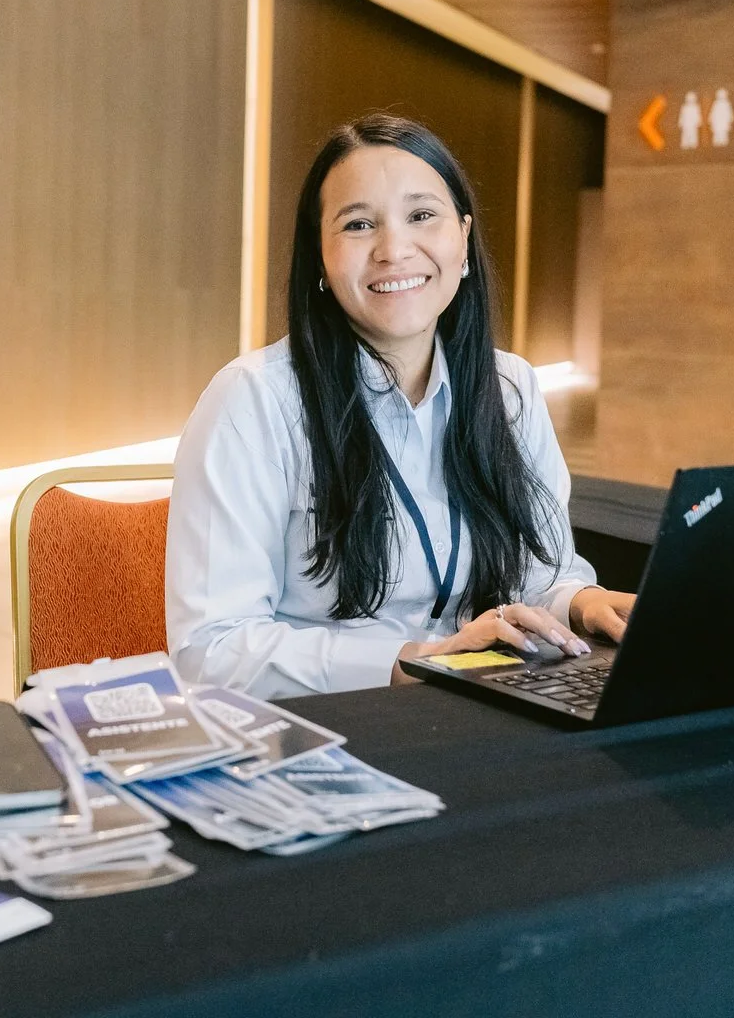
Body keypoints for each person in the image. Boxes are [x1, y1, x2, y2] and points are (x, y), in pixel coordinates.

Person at [166, 114, 634, 699]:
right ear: (319, 258)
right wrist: (413, 659)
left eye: (421, 216)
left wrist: (583, 603)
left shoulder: (509, 388)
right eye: (359, 224)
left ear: (462, 239)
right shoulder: (254, 400)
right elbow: (209, 650)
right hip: (329, 728)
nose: (394, 249)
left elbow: (541, 575)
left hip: (479, 709)